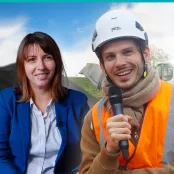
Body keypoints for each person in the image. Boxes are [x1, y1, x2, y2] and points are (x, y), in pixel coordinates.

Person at [79, 10, 174, 173]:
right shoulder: (94, 118)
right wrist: (109, 151)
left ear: (145, 53)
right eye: (110, 57)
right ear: (102, 66)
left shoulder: (171, 99)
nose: (119, 63)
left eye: (127, 52)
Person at [0, 31, 90, 174]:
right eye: (32, 59)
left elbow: (88, 151)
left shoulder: (78, 101)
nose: (41, 66)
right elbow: (1, 156)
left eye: (47, 57)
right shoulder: (6, 100)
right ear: (23, 65)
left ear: (57, 62)